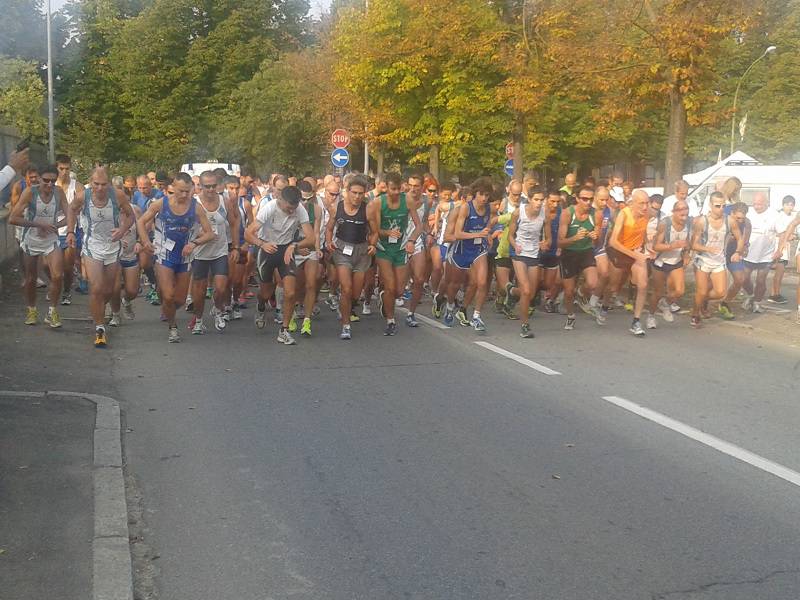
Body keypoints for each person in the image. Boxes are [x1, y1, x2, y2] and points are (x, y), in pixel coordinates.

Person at [137, 173, 215, 343]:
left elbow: (210, 234)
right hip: (164, 255)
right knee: (169, 295)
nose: (185, 195)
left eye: (188, 191)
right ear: (173, 188)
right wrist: (145, 242)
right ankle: (173, 327)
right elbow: (141, 222)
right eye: (181, 191)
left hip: (184, 257)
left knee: (179, 300)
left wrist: (194, 243)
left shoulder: (196, 207)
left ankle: (167, 305)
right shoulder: (161, 204)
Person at [66, 167, 137, 347]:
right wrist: (70, 231)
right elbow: (71, 209)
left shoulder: (118, 196)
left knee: (109, 290)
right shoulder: (84, 196)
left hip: (112, 246)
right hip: (93, 246)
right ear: (91, 182)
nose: (100, 188)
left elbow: (130, 215)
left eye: (104, 184)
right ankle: (99, 327)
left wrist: (122, 230)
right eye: (96, 184)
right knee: (96, 287)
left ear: (109, 183)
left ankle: (98, 309)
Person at [245, 185, 314, 345]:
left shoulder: (300, 210)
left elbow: (311, 238)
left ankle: (284, 330)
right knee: (266, 292)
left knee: (290, 293)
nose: (291, 212)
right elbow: (248, 233)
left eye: (294, 208)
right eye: (289, 208)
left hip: (286, 249)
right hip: (267, 248)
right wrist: (262, 244)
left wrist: (295, 246)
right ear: (280, 200)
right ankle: (261, 306)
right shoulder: (269, 208)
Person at [8, 164, 68, 329]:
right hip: (32, 239)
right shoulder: (30, 192)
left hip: (51, 239)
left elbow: (70, 215)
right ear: (39, 179)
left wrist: (55, 226)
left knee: (57, 276)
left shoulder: (58, 192)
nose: (49, 185)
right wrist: (37, 224)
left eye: (53, 181)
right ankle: (32, 309)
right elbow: (13, 218)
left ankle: (52, 311)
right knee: (31, 278)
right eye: (46, 181)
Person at [367, 171, 422, 336]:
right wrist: (387, 232)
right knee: (391, 286)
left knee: (398, 290)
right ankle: (390, 321)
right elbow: (374, 230)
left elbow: (419, 226)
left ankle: (384, 295)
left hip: (401, 248)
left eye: (399, 189)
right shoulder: (378, 203)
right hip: (383, 249)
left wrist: (412, 241)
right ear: (386, 188)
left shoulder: (408, 201)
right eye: (393, 189)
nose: (397, 192)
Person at [188, 171, 240, 334]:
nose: (211, 190)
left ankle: (218, 310)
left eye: (213, 186)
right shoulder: (194, 203)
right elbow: (186, 227)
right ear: (200, 187)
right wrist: (198, 237)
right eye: (207, 186)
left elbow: (233, 223)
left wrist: (236, 247)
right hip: (200, 253)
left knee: (221, 288)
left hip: (219, 251)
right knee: (199, 291)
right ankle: (199, 320)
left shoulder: (224, 201)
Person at [445, 177, 497, 332]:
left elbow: (488, 223)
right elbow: (458, 234)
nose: (484, 198)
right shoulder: (465, 208)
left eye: (487, 195)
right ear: (475, 193)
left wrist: (487, 234)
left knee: (480, 282)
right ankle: (449, 307)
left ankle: (476, 315)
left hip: (478, 250)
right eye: (481, 194)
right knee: (455, 284)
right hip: (462, 248)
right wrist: (478, 234)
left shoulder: (489, 208)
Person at [327, 175, 374, 339]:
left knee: (354, 294)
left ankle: (345, 304)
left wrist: (373, 244)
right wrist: (328, 242)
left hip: (361, 252)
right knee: (346, 288)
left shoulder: (367, 209)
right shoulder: (337, 207)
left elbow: (374, 232)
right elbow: (329, 228)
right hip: (342, 250)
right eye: (354, 192)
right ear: (347, 192)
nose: (357, 196)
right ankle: (346, 326)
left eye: (360, 193)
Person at [689, 191, 743, 328]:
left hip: (719, 260)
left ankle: (700, 301)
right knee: (701, 290)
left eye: (723, 206)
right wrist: (708, 249)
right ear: (710, 205)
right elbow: (693, 244)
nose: (721, 209)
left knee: (720, 292)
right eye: (718, 206)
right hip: (703, 259)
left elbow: (739, 237)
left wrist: (737, 252)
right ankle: (695, 314)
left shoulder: (729, 221)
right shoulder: (702, 221)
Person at [604, 189, 650, 336]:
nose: (645, 207)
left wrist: (649, 248)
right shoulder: (624, 214)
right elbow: (613, 241)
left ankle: (636, 321)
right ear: (633, 203)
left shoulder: (648, 214)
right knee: (613, 285)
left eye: (647, 203)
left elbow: (647, 234)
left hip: (636, 253)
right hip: (621, 252)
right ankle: (604, 304)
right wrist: (633, 254)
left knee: (643, 285)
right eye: (641, 203)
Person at [557, 185, 600, 330]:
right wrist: (575, 238)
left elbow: (597, 240)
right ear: (577, 199)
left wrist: (595, 237)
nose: (588, 202)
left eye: (590, 199)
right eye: (584, 199)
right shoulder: (567, 213)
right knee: (569, 292)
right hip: (569, 253)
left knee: (593, 284)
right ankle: (570, 316)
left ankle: (581, 293)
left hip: (586, 251)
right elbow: (560, 242)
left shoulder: (596, 214)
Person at [505, 186, 546, 338]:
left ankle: (511, 291)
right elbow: (510, 235)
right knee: (527, 290)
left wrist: (545, 242)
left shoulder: (544, 213)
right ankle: (525, 325)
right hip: (519, 253)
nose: (539, 203)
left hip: (534, 253)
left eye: (542, 200)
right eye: (536, 199)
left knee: (531, 293)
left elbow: (547, 237)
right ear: (529, 199)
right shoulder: (518, 212)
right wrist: (515, 245)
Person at [648, 198, 691, 326]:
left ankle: (665, 303)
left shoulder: (689, 224)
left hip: (676, 261)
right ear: (673, 212)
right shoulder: (665, 224)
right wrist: (673, 245)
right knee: (658, 292)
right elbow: (656, 246)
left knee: (679, 291)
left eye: (686, 215)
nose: (684, 218)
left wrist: (687, 254)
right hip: (661, 261)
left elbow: (688, 242)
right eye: (681, 215)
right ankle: (651, 315)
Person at [741, 192, 780, 314]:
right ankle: (751, 295)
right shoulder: (749, 213)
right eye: (755, 204)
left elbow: (782, 234)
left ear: (766, 203)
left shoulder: (774, 215)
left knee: (761, 280)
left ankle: (757, 303)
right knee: (744, 278)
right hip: (748, 253)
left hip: (766, 255)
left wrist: (779, 250)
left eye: (760, 204)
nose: (756, 207)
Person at [292, 179, 323, 336]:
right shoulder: (291, 209)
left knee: (312, 283)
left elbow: (316, 232)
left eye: (308, 198)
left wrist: (317, 249)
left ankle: (307, 319)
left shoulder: (316, 210)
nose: (305, 202)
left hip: (309, 248)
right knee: (295, 285)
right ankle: (291, 313)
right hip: (294, 248)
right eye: (302, 198)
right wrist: (296, 248)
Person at [403, 173, 431, 327]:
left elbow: (425, 221)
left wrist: (429, 234)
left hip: (417, 242)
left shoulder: (427, 201)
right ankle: (384, 296)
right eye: (410, 185)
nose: (413, 189)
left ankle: (411, 313)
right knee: (398, 285)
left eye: (416, 186)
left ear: (422, 187)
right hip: (399, 242)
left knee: (419, 279)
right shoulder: (402, 199)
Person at [55, 154, 82, 305]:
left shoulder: (76, 186)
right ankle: (56, 285)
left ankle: (66, 292)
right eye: (61, 169)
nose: (64, 172)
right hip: (52, 231)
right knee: (47, 265)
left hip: (70, 230)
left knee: (67, 266)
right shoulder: (51, 184)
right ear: (56, 168)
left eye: (67, 168)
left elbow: (79, 206)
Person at [719, 202, 751, 319]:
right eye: (737, 218)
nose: (740, 221)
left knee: (740, 279)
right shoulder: (723, 220)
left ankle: (725, 303)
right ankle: (704, 303)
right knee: (716, 285)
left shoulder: (746, 223)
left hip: (734, 253)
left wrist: (745, 247)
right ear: (731, 213)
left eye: (742, 218)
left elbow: (745, 239)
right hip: (718, 254)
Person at [769, 195, 795, 304]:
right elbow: (781, 234)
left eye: (792, 205)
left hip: (786, 248)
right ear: (783, 205)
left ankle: (774, 293)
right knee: (779, 273)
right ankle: (774, 294)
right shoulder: (780, 217)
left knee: (780, 273)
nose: (790, 207)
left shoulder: (792, 217)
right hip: (780, 248)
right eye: (787, 205)